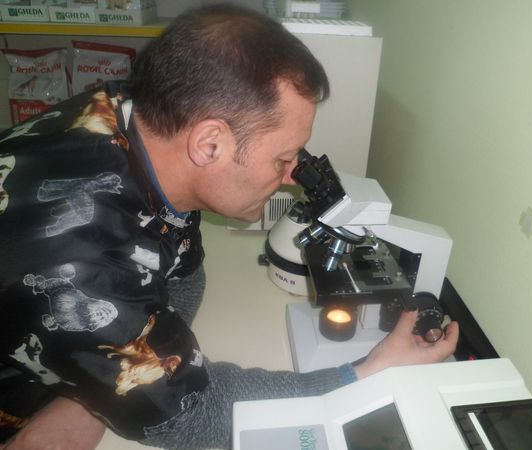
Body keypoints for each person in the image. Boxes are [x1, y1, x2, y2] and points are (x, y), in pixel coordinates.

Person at [0, 5, 459, 450]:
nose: (291, 175)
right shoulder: (81, 267)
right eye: (282, 158)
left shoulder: (127, 120)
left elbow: (184, 274)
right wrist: (371, 371)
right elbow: (199, 417)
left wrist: (93, 392)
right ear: (210, 144)